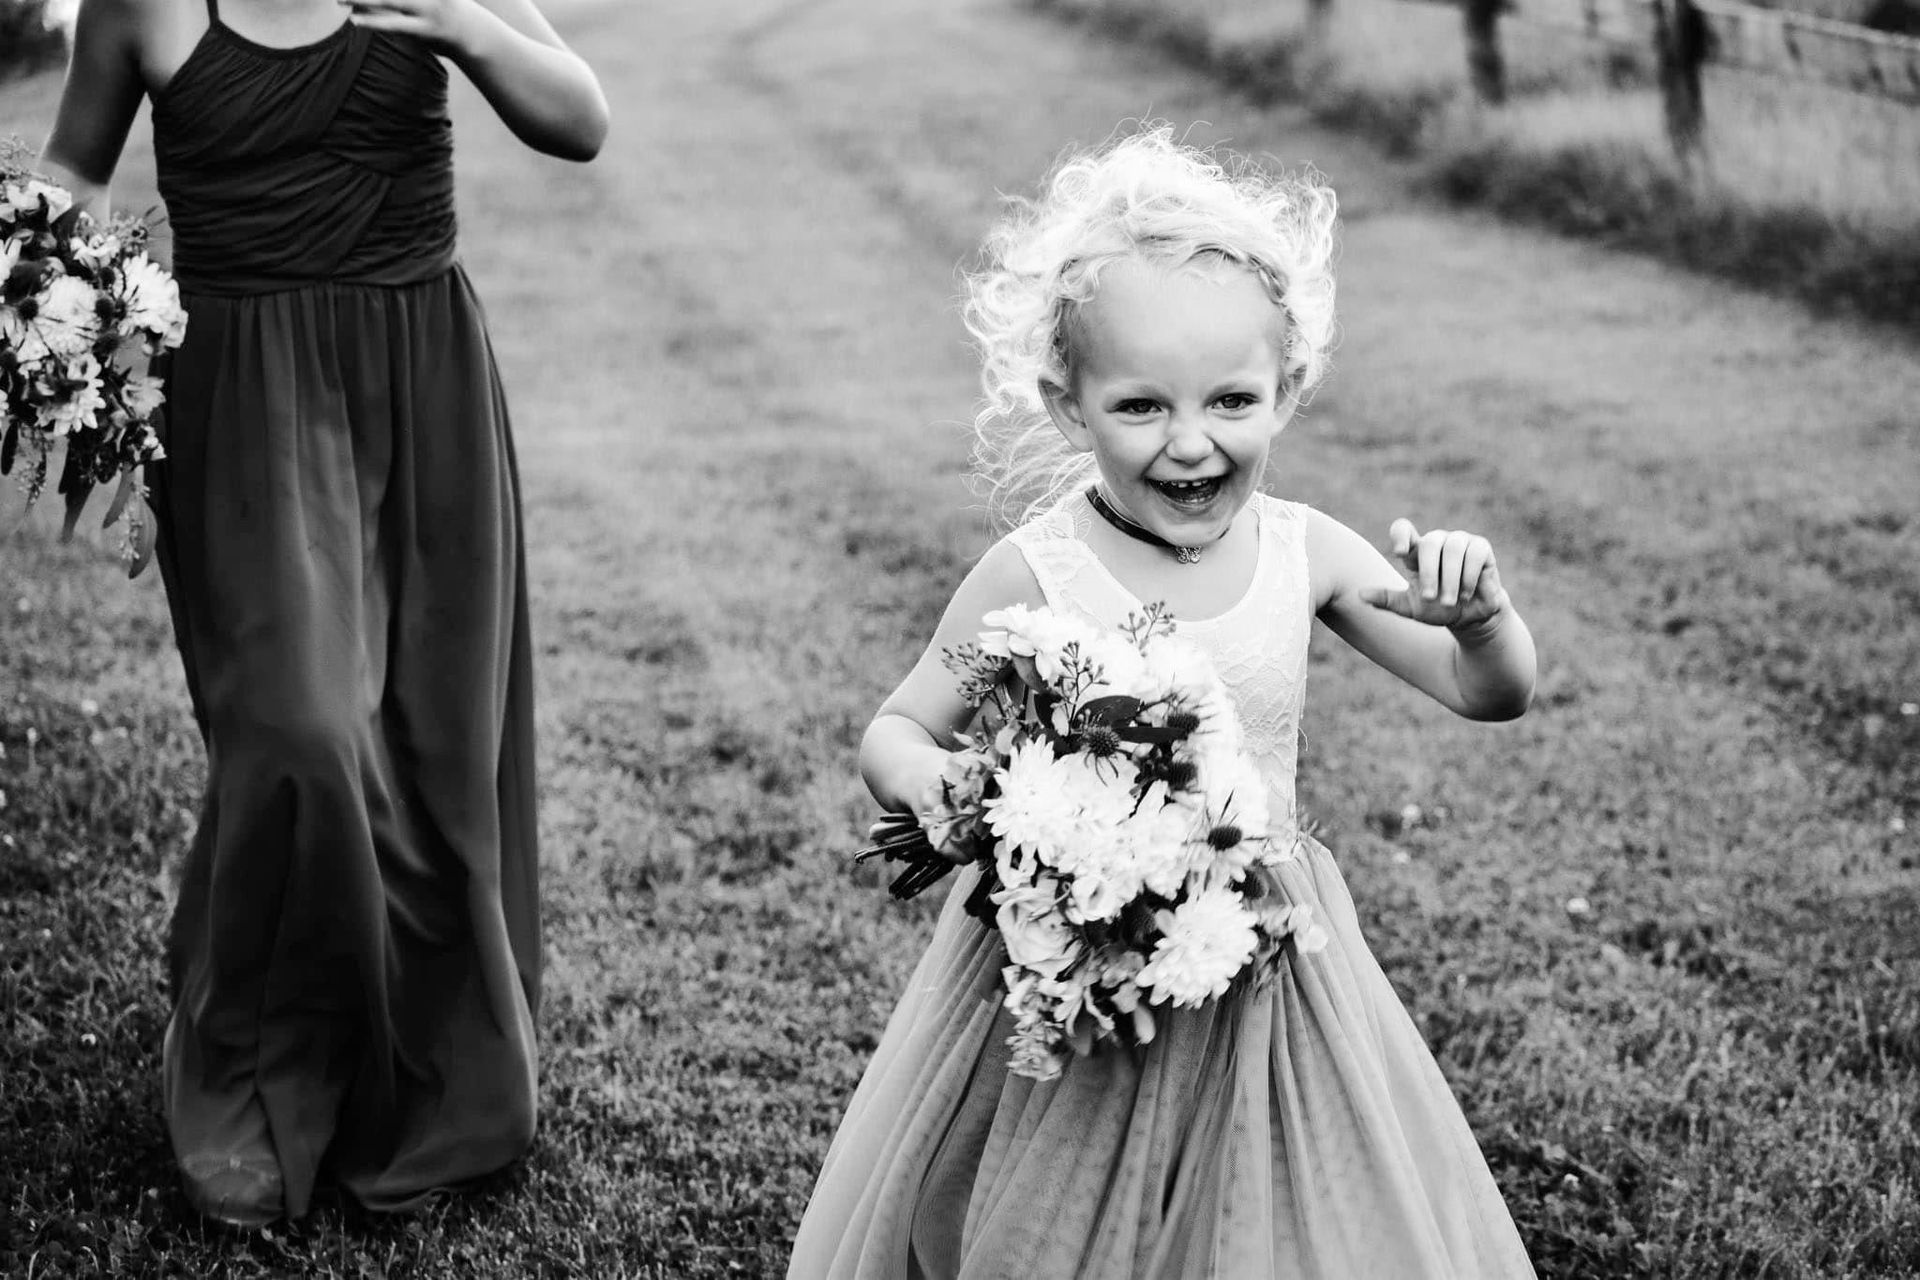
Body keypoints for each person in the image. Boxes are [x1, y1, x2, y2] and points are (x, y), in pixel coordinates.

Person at [788, 126, 1540, 1278]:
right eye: (1141, 407)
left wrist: (1482, 624)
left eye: (1232, 399)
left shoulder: (1306, 551)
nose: (1193, 443)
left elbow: (1487, 694)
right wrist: (954, 793)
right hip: (1068, 963)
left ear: (1286, 389)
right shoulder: (1035, 574)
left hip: (1270, 956)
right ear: (1067, 403)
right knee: (1054, 1219)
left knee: (1274, 1217)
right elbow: (896, 727)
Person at [39, 0, 607, 1227]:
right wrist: (30, 282)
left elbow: (582, 120)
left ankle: (431, 1074)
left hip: (424, 378)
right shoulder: (142, 5)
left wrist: (464, 26)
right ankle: (259, 1065)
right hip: (244, 397)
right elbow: (71, 169)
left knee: (435, 750)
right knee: (300, 732)